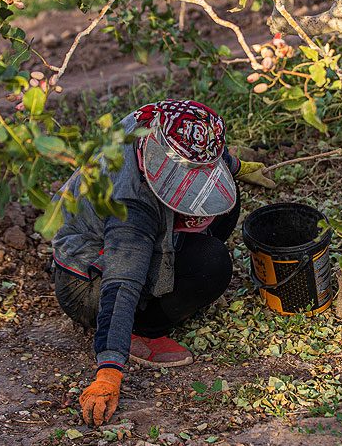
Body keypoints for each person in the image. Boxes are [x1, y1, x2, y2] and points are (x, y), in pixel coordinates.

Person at [48, 99, 274, 426]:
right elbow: (121, 283)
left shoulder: (158, 119)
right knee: (211, 265)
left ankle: (165, 285)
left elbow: (205, 152)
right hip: (88, 285)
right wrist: (109, 372)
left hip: (112, 246)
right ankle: (144, 329)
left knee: (226, 201)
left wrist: (236, 166)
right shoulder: (130, 206)